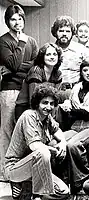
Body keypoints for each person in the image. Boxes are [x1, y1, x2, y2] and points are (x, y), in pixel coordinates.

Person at [5, 84, 69, 200]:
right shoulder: (29, 116)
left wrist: (63, 143)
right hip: (16, 167)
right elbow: (35, 146)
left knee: (63, 192)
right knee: (44, 152)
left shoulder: (47, 118)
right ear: (37, 103)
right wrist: (55, 150)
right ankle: (35, 195)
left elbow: (57, 130)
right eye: (44, 102)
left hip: (35, 165)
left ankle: (28, 185)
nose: (48, 107)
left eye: (51, 103)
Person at [0, 4, 38, 180]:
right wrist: (20, 43)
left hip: (27, 90)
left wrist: (15, 69)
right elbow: (14, 64)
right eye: (13, 19)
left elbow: (36, 66)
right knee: (7, 130)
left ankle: (22, 172)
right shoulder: (3, 41)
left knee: (24, 131)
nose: (17, 22)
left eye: (20, 18)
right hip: (9, 91)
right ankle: (5, 173)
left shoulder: (32, 41)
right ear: (7, 21)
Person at [59, 58, 89, 193]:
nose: (88, 73)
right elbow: (70, 106)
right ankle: (64, 179)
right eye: (85, 70)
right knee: (56, 141)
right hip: (75, 126)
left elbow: (87, 114)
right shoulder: (76, 87)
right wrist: (68, 107)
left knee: (73, 145)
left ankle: (85, 176)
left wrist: (71, 110)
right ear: (81, 72)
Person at [15, 42, 63, 121]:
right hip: (26, 108)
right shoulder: (36, 71)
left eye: (55, 54)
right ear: (42, 57)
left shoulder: (58, 73)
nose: (52, 57)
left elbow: (55, 98)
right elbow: (33, 99)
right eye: (48, 54)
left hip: (45, 108)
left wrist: (51, 119)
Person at [51, 15, 89, 100]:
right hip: (54, 92)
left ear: (72, 33)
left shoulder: (82, 50)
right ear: (55, 32)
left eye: (68, 31)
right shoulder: (50, 50)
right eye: (61, 31)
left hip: (77, 91)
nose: (64, 34)